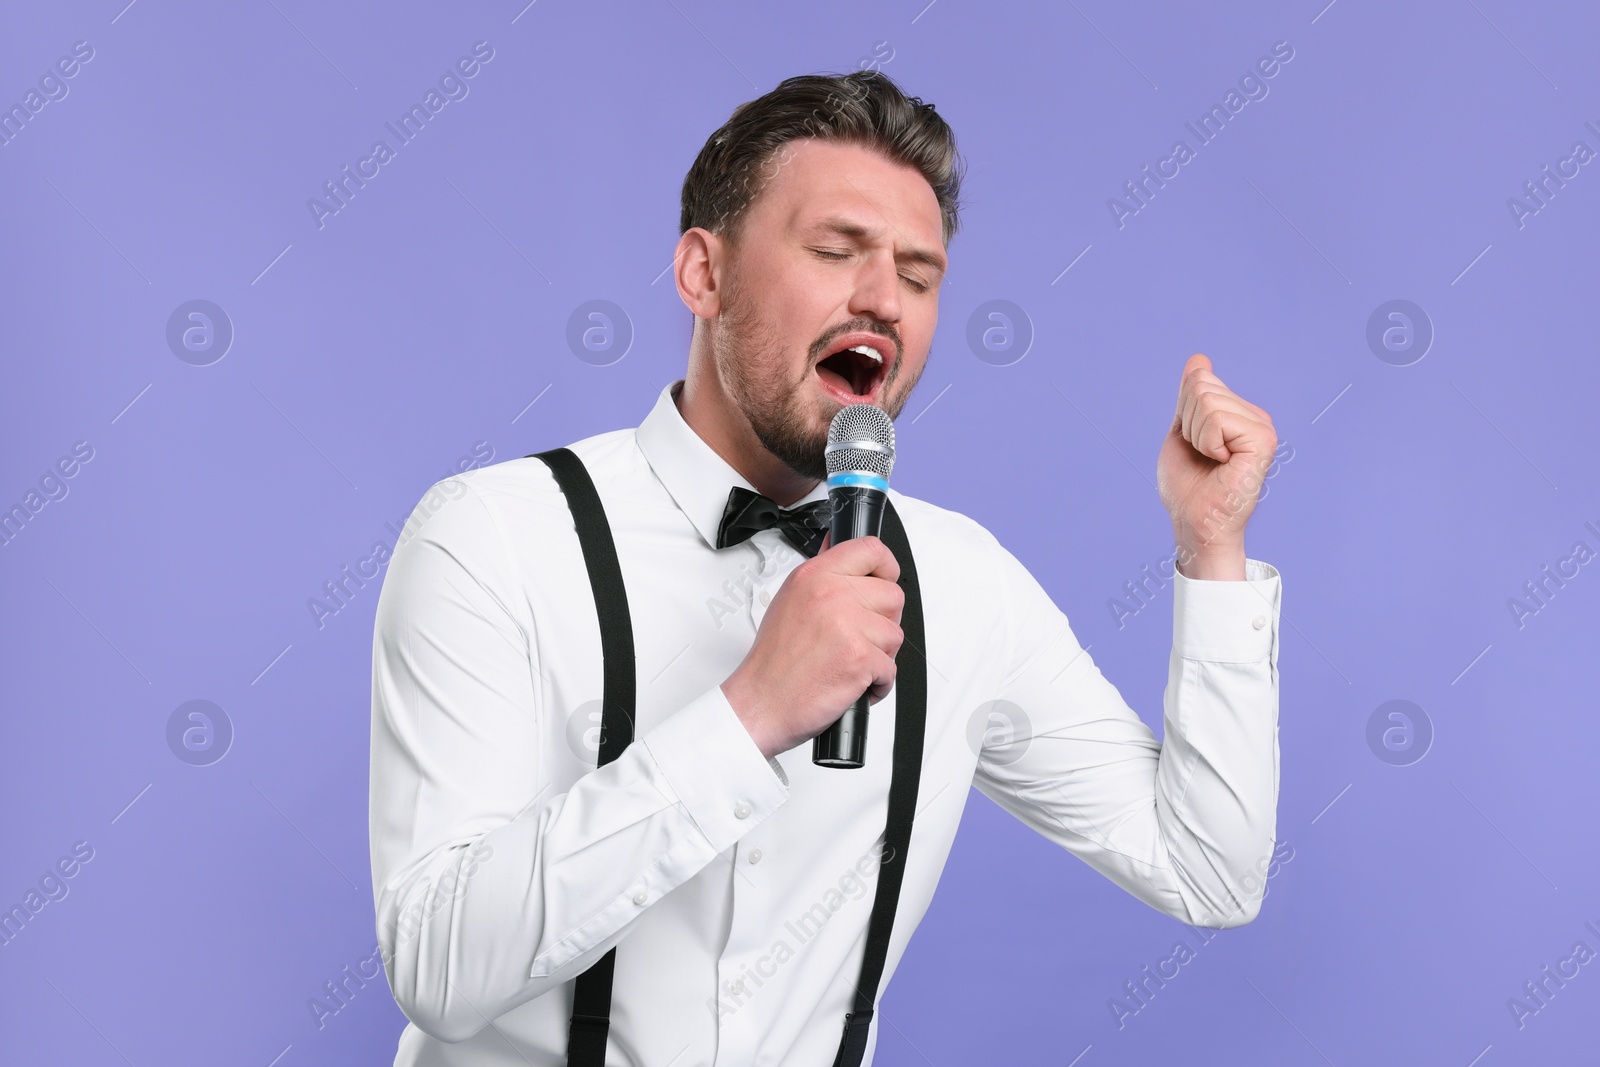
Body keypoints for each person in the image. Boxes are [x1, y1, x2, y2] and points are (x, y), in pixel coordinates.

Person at [369, 69, 1283, 1066]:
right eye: (833, 250)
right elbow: (438, 968)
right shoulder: (495, 536)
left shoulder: (966, 584)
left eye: (919, 274)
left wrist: (1210, 552)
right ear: (702, 274)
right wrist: (748, 712)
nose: (883, 298)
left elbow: (1208, 871)